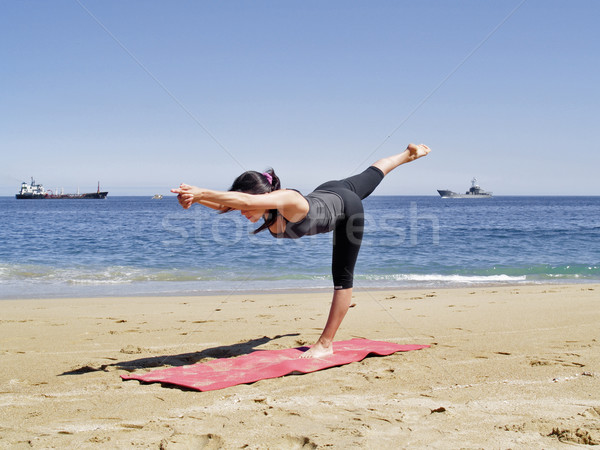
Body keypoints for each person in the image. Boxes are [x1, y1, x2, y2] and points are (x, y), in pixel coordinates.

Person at [171, 143, 431, 358]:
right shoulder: (257, 203)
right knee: (376, 171)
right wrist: (196, 199)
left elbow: (247, 202)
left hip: (346, 210)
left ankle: (326, 344)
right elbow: (229, 204)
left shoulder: (288, 199)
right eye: (240, 205)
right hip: (329, 190)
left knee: (342, 278)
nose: (242, 212)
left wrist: (202, 190)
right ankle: (409, 154)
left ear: (265, 198)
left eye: (245, 205)